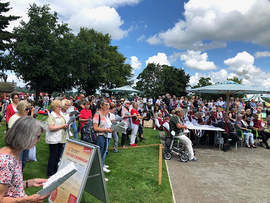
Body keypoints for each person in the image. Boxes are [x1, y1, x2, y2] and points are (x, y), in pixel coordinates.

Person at [0, 116, 50, 202]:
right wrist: (28, 199)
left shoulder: (15, 154)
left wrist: (31, 182)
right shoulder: (6, 162)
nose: (38, 140)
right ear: (25, 136)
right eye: (38, 136)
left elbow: (11, 186)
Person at [45, 100, 69, 177]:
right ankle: (50, 172)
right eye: (59, 107)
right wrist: (62, 126)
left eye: (61, 107)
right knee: (53, 156)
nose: (60, 108)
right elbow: (51, 128)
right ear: (55, 107)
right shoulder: (52, 116)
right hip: (53, 139)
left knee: (58, 156)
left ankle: (55, 171)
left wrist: (65, 125)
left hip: (60, 138)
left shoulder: (60, 115)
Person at [93, 99, 114, 177]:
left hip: (104, 136)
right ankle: (97, 174)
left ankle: (99, 174)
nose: (107, 106)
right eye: (105, 105)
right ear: (101, 106)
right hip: (100, 137)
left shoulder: (102, 115)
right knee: (99, 157)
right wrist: (105, 130)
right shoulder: (97, 115)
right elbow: (95, 128)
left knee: (101, 155)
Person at [8, 100, 31, 171]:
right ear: (21, 109)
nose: (28, 111)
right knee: (18, 161)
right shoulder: (14, 118)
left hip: (26, 143)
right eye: (26, 109)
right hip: (18, 144)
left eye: (29, 109)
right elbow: (10, 133)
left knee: (23, 161)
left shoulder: (26, 117)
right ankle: (15, 176)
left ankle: (19, 175)